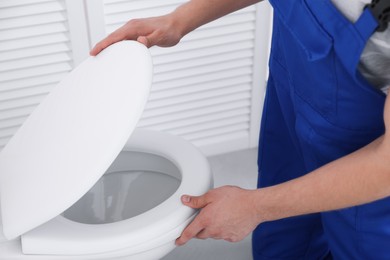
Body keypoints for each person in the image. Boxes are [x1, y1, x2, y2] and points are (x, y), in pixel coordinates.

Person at [90, 0, 390, 259]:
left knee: (358, 242)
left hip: (366, 154)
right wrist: (179, 20)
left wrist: (256, 208)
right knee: (283, 238)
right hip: (293, 90)